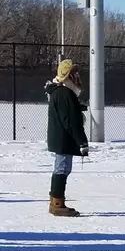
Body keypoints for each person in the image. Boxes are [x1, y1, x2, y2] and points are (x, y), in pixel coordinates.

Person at [44, 59, 89, 217]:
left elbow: (66, 113)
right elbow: (70, 121)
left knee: (63, 168)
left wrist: (77, 107)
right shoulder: (65, 93)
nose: (77, 78)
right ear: (68, 76)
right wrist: (82, 142)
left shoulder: (60, 92)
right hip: (63, 138)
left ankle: (57, 201)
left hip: (61, 137)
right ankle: (57, 203)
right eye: (74, 74)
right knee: (62, 169)